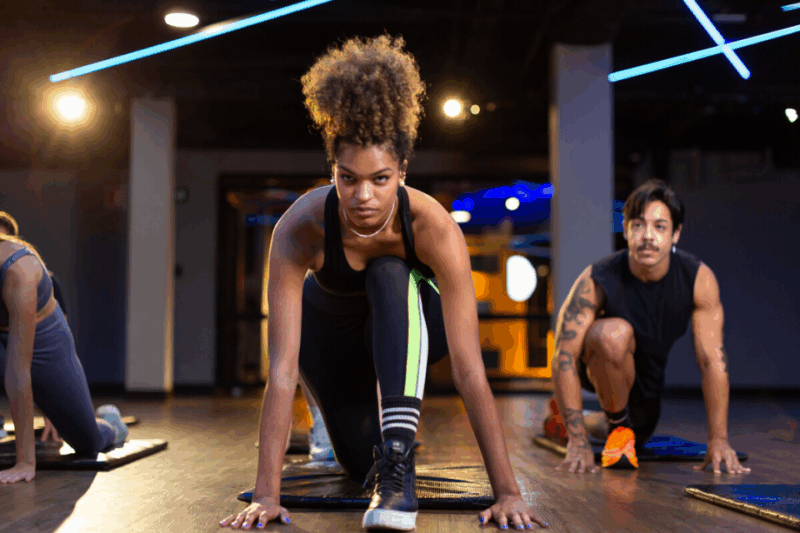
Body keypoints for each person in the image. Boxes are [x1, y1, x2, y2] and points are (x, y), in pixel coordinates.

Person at [219, 36, 548, 531]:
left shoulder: (432, 226)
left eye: (381, 178)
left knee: (390, 270)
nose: (363, 196)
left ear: (403, 172)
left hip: (410, 325)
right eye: (348, 178)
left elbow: (468, 369)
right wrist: (267, 493)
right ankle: (342, 437)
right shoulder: (300, 227)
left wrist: (507, 491)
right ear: (332, 170)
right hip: (330, 349)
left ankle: (398, 456)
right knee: (358, 469)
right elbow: (282, 368)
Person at [546, 179, 750, 475]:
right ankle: (610, 427)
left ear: (675, 234)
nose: (648, 236)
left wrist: (718, 439)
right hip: (600, 368)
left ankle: (563, 420)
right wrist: (577, 441)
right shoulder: (597, 278)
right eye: (638, 225)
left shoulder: (698, 279)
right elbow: (563, 356)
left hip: (644, 399)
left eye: (659, 227)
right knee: (612, 334)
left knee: (629, 428)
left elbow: (711, 360)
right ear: (626, 229)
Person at [0, 211, 128, 484]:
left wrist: (25, 461)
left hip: (45, 343)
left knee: (87, 442)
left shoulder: (18, 268)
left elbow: (18, 369)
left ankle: (111, 425)